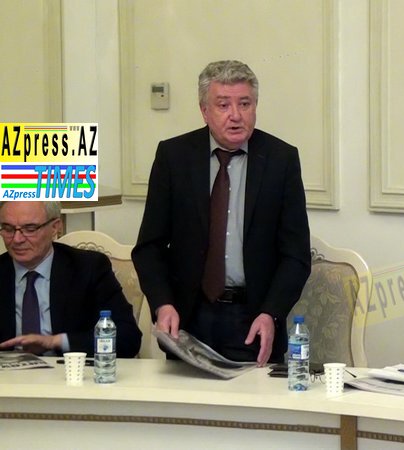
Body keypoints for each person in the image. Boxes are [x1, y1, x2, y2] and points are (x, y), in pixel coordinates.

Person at [132, 60, 311, 366]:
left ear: (255, 106)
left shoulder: (281, 160)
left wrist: (271, 313)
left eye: (245, 104)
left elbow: (296, 255)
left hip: (252, 320)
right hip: (188, 318)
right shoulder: (174, 157)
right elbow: (149, 247)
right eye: (223, 105)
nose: (236, 115)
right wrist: (163, 304)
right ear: (204, 111)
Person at [0, 201, 141, 357]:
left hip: (72, 369)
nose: (17, 239)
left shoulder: (89, 268)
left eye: (30, 229)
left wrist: (56, 342)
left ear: (55, 227)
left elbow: (128, 338)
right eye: (8, 229)